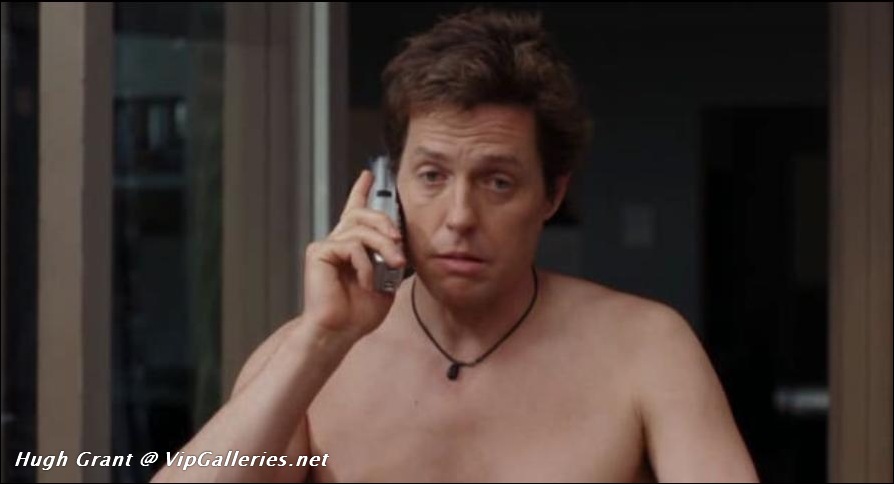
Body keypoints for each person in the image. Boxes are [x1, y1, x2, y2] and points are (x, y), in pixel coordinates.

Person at [152, 9, 758, 483]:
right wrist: (321, 341)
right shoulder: (311, 355)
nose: (461, 217)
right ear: (391, 185)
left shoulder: (646, 348)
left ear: (551, 195)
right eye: (432, 176)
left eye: (498, 182)